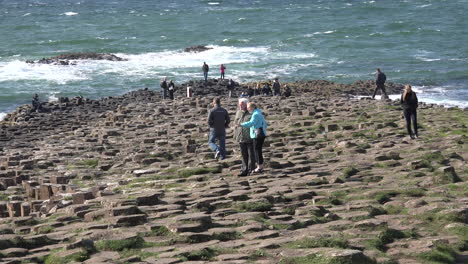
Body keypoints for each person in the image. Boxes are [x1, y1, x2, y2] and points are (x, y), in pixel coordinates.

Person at [241, 102, 267, 173]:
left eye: (248, 108)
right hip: (261, 133)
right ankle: (260, 166)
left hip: (257, 135)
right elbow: (265, 123)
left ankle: (259, 167)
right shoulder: (259, 112)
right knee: (258, 150)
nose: (247, 109)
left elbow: (251, 123)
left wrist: (241, 124)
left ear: (252, 107)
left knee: (257, 151)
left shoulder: (255, 114)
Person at [234, 98, 256, 176]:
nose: (240, 105)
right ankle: (244, 170)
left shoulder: (251, 113)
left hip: (250, 136)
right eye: (239, 103)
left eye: (242, 104)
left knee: (251, 154)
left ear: (246, 104)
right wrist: (236, 135)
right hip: (241, 136)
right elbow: (236, 123)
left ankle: (251, 170)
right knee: (243, 155)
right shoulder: (238, 113)